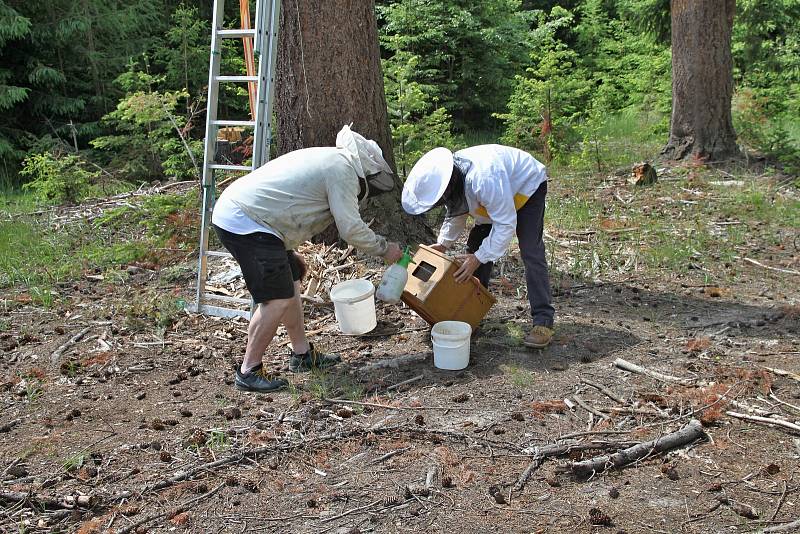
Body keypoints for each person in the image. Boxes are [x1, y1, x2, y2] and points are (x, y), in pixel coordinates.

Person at [212, 125, 404, 392]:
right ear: (367, 173)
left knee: (290, 283)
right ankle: (248, 370)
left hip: (259, 221)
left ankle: (302, 355)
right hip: (246, 221)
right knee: (276, 298)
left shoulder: (332, 160)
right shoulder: (343, 171)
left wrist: (287, 247)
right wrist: (385, 249)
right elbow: (350, 229)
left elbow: (292, 199)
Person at [401, 145, 555, 348]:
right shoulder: (452, 180)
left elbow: (506, 224)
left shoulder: (484, 179)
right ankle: (468, 315)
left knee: (530, 251)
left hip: (526, 187)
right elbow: (456, 212)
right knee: (475, 246)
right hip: (497, 196)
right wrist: (443, 244)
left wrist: (479, 257)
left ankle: (543, 321)